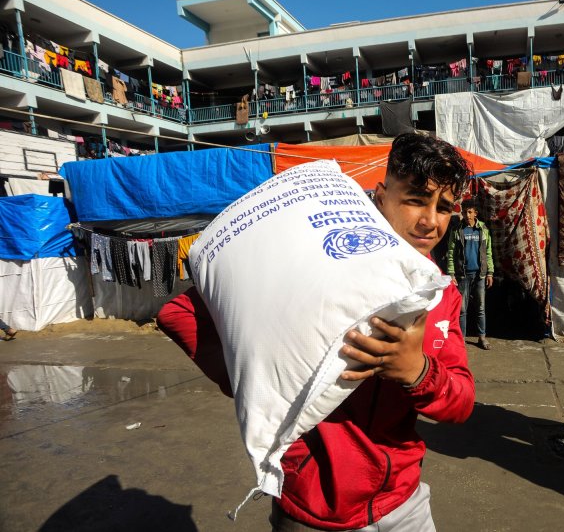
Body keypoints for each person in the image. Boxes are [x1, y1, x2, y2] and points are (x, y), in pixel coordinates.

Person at [157, 132, 475, 531]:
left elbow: (461, 403)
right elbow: (180, 314)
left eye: (444, 207)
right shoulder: (317, 261)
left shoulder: (439, 293)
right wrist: (264, 378)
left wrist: (417, 371)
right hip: (314, 508)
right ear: (380, 195)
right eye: (415, 199)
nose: (430, 220)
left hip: (404, 501)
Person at [445, 199, 494, 349]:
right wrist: (451, 274)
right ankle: (461, 340)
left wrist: (490, 272)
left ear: (475, 213)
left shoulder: (483, 229)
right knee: (462, 310)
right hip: (462, 275)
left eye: (470, 212)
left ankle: (482, 338)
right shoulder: (457, 230)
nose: (467, 215)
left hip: (480, 275)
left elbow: (488, 252)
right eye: (464, 212)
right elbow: (451, 253)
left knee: (480, 308)